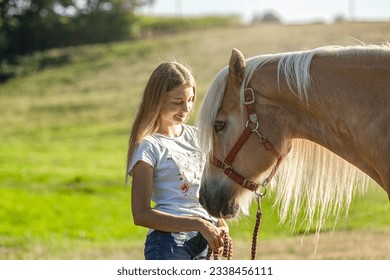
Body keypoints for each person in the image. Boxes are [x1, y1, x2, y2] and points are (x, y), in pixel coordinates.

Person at [126, 61, 228, 260]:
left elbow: (209, 189)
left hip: (205, 240)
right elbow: (141, 215)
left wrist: (220, 223)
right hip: (169, 242)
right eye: (177, 101)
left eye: (190, 99)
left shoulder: (200, 137)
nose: (187, 107)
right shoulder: (148, 146)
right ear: (158, 100)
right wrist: (198, 223)